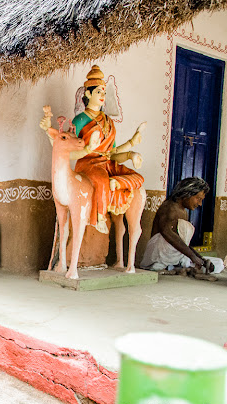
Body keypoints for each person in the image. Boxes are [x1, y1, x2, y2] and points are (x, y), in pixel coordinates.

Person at [40, 65, 145, 234]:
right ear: (88, 94)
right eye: (99, 92)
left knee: (137, 178)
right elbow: (64, 144)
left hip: (107, 163)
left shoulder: (109, 121)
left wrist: (131, 152)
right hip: (88, 165)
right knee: (102, 178)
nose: (103, 95)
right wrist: (48, 130)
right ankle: (100, 217)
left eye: (104, 92)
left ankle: (117, 182)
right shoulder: (80, 120)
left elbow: (113, 153)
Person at [140, 177, 224, 274]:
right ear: (187, 194)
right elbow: (167, 233)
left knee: (218, 263)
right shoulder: (169, 207)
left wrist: (200, 259)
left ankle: (173, 267)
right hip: (160, 257)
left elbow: (183, 243)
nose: (200, 204)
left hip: (177, 257)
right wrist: (192, 257)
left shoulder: (184, 212)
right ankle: (168, 266)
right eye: (198, 199)